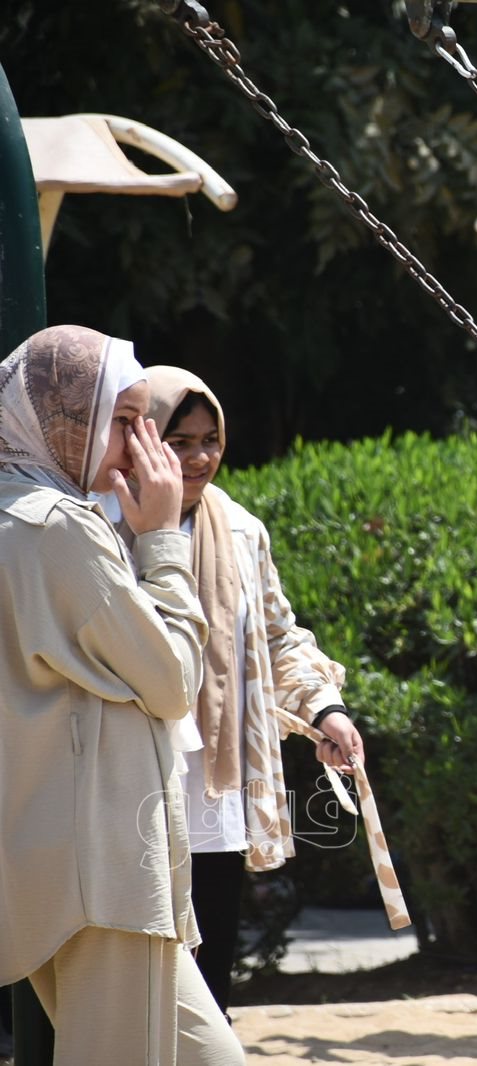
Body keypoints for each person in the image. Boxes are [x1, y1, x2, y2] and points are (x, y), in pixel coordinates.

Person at [0, 327, 245, 1065]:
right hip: (101, 870)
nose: (146, 446)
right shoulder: (56, 526)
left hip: (69, 862)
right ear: (67, 420)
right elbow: (172, 682)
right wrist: (163, 537)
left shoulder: (23, 513)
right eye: (125, 420)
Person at [115, 366, 364, 1018]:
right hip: (124, 779)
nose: (199, 458)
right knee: (128, 979)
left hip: (213, 785)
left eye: (210, 440)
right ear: (141, 441)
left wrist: (326, 710)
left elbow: (278, 637)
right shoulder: (99, 523)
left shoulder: (241, 529)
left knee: (208, 982)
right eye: (179, 442)